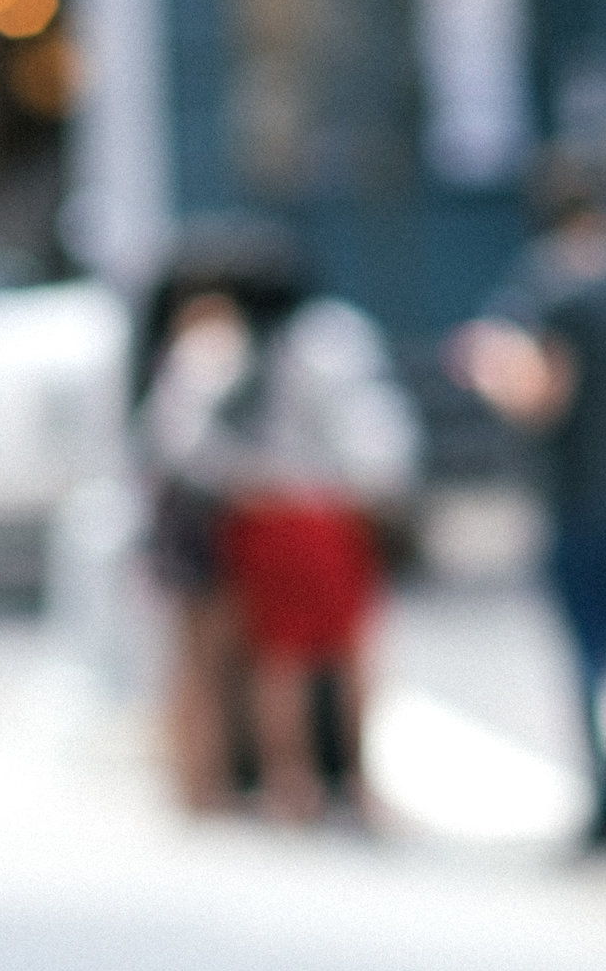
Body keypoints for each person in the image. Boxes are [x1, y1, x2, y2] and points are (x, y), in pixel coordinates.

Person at [448, 152, 606, 840]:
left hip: (575, 490)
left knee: (589, 648)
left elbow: (542, 393)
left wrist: (486, 371)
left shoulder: (546, 284)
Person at [142, 251, 420, 822]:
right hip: (328, 511)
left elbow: (176, 437)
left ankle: (287, 785)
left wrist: (239, 481)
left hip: (263, 515)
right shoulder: (332, 337)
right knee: (347, 658)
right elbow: (376, 434)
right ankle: (357, 782)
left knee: (278, 659)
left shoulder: (222, 342)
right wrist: (378, 494)